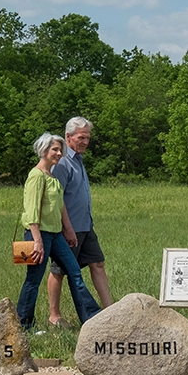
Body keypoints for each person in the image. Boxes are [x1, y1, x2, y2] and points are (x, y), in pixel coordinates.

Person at [16, 132, 101, 331]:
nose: (59, 153)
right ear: (43, 150)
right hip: (39, 235)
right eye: (55, 149)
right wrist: (37, 241)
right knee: (33, 280)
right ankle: (23, 324)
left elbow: (61, 205)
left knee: (75, 272)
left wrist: (69, 230)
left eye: (60, 150)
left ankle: (92, 318)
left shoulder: (52, 176)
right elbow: (32, 210)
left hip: (56, 235)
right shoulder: (36, 176)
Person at [47, 117, 113, 324]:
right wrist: (67, 228)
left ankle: (111, 311)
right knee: (60, 270)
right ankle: (54, 316)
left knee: (98, 263)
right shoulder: (62, 162)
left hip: (85, 225)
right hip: (68, 228)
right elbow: (57, 198)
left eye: (88, 138)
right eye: (81, 137)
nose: (85, 141)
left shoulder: (79, 160)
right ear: (68, 137)